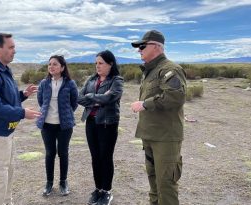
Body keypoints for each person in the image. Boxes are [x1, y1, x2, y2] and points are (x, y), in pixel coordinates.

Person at [0, 33, 41, 205]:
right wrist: (22, 113)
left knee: (7, 177)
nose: (15, 51)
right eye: (11, 47)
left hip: (7, 136)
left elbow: (7, 99)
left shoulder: (4, 69)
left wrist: (23, 95)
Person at [130, 30, 187, 205]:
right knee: (154, 185)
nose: (139, 50)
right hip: (150, 136)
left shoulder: (170, 69)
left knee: (165, 185)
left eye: (142, 46)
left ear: (156, 47)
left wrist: (145, 104)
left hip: (165, 138)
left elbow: (175, 97)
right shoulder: (150, 71)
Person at [77, 50, 123, 205]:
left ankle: (106, 191)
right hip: (91, 123)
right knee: (95, 157)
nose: (97, 66)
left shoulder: (116, 80)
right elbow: (79, 97)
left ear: (110, 64)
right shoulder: (91, 79)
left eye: (101, 63)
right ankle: (98, 189)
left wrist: (92, 98)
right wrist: (97, 100)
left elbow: (111, 97)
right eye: (96, 63)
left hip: (107, 123)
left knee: (105, 157)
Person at [36, 55, 78, 197]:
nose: (51, 67)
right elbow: (41, 102)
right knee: (49, 153)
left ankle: (63, 182)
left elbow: (74, 103)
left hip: (64, 126)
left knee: (63, 153)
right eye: (49, 64)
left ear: (62, 67)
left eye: (55, 64)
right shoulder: (43, 83)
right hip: (47, 125)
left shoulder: (70, 83)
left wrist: (65, 114)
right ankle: (49, 183)